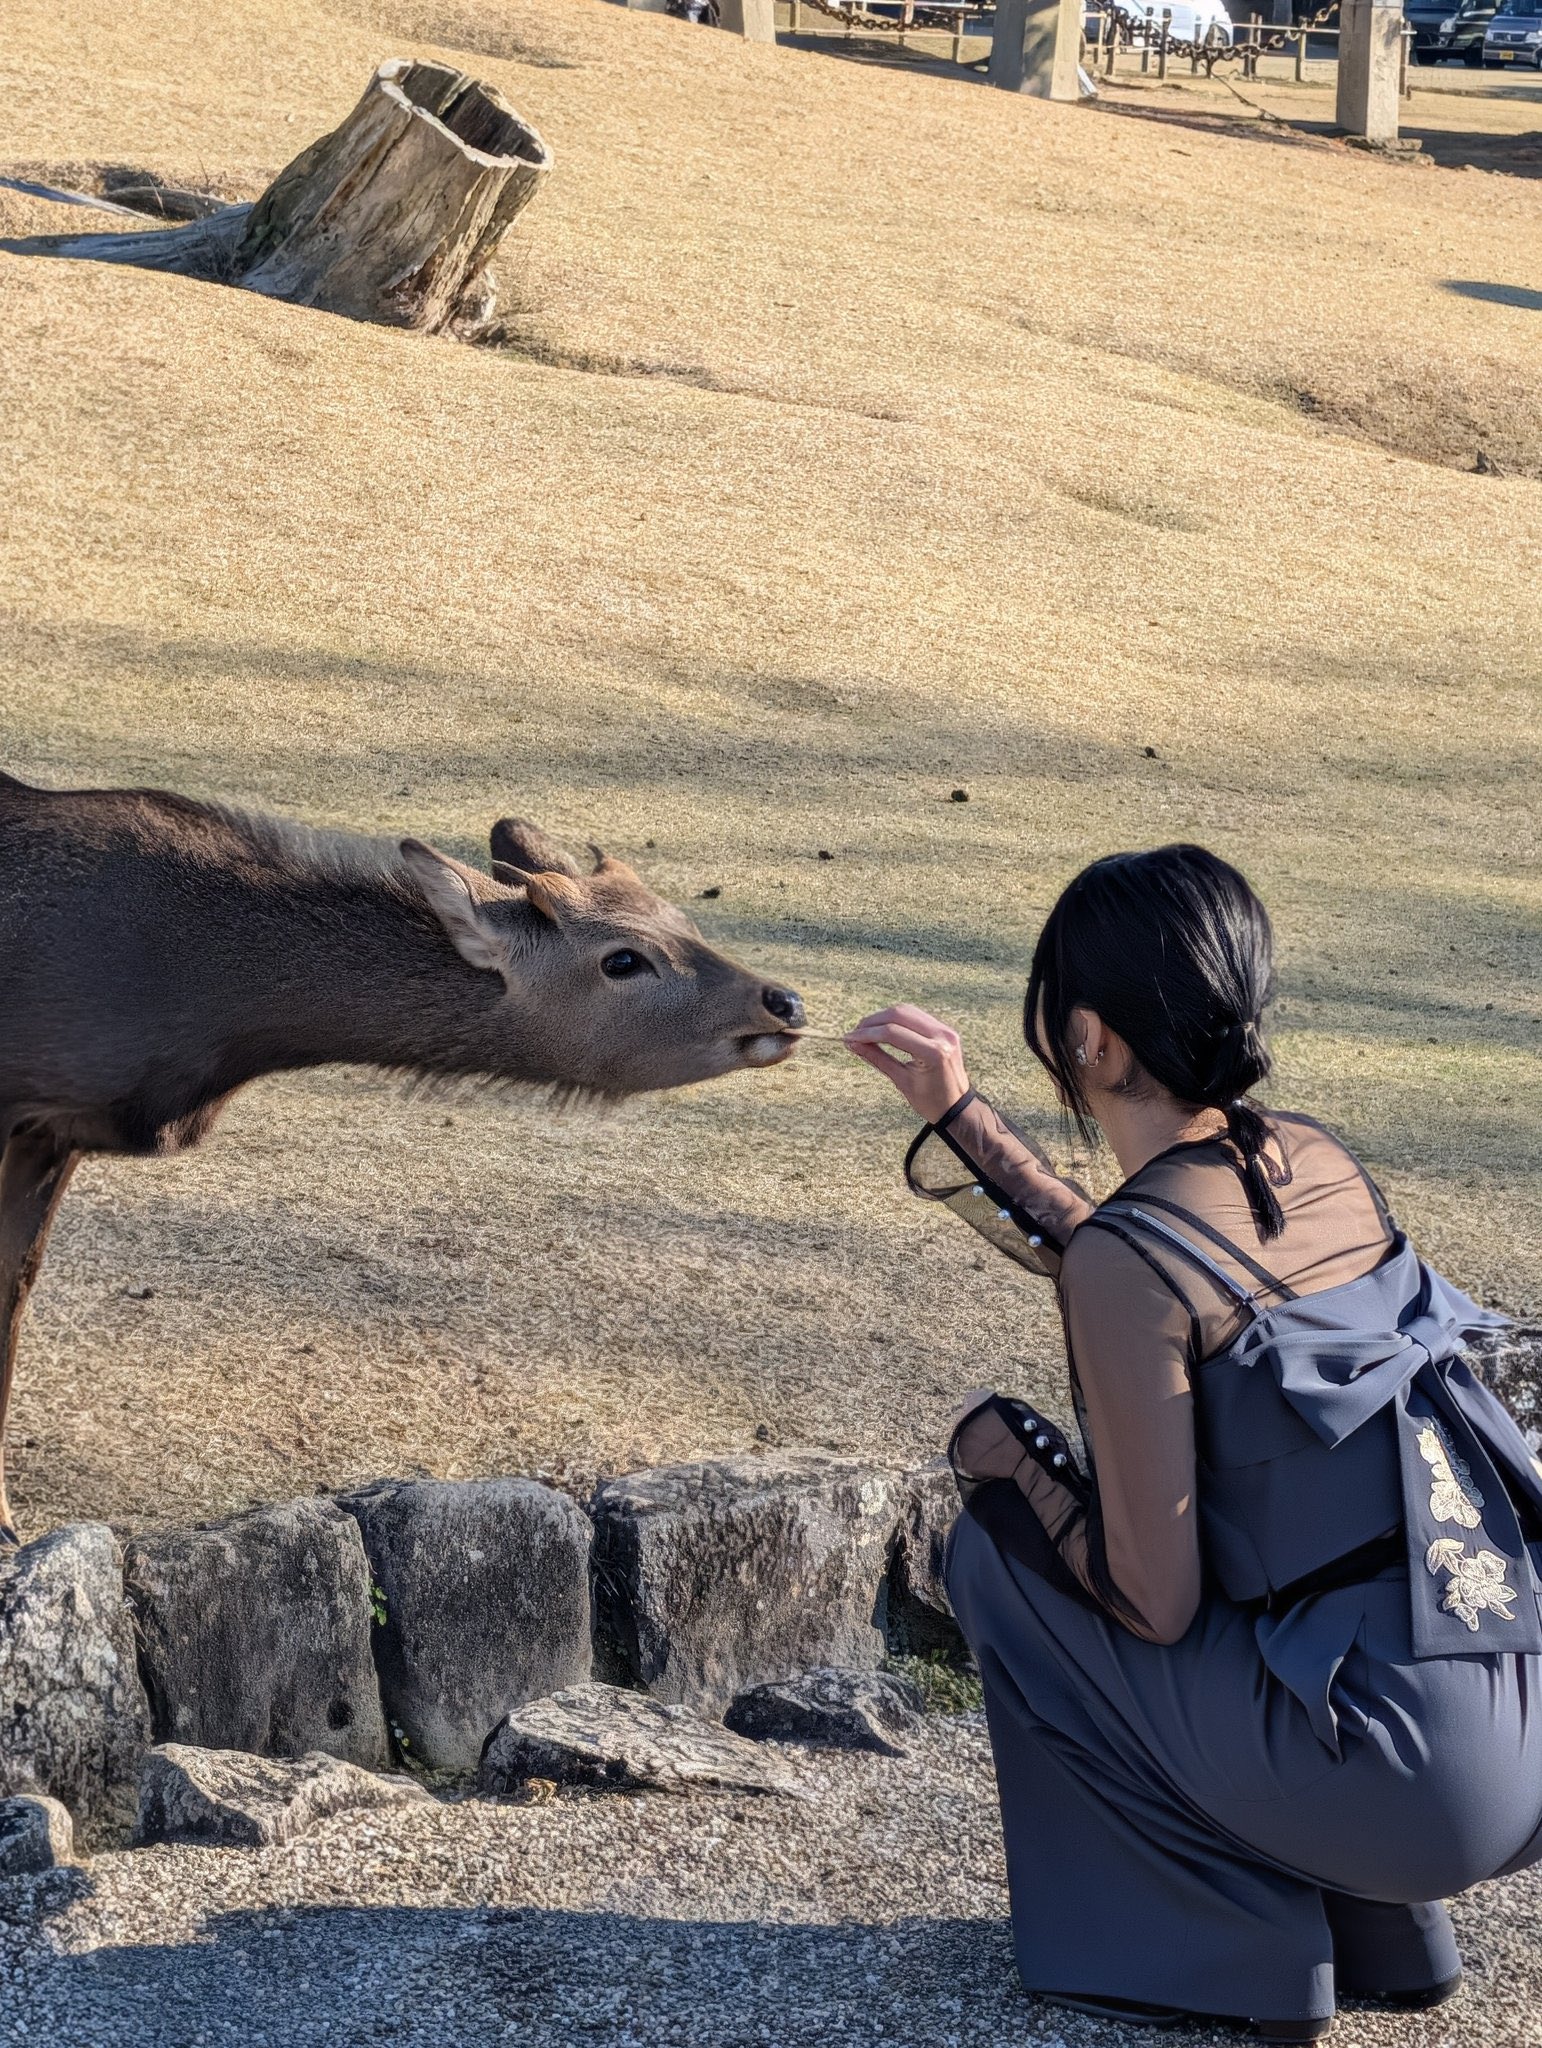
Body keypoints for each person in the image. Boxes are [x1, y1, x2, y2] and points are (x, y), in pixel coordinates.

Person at [844, 844, 1542, 2043]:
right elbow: (1161, 1273)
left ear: (1088, 1038)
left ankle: (1220, 1956)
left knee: (1000, 1554)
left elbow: (1153, 1600)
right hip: (1518, 1730)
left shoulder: (1134, 1259)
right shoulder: (1317, 1161)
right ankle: (1388, 1937)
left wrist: (1012, 1463)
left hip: (1399, 1785)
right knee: (1296, 1566)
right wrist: (961, 1119)